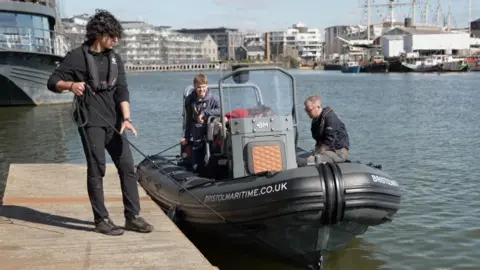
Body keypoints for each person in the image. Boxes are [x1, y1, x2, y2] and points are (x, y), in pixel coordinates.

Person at [46, 10, 153, 236]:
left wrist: (127, 118)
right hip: (91, 122)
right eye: (112, 36)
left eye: (117, 36)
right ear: (99, 34)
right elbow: (52, 81)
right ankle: (101, 219)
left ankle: (132, 216)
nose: (116, 40)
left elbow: (122, 90)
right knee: (97, 169)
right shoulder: (76, 56)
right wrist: (71, 86)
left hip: (115, 122)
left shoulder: (115, 58)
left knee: (127, 167)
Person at [180, 74, 221, 173]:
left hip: (211, 138)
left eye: (203, 87)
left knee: (212, 165)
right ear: (194, 87)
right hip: (196, 138)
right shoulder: (189, 100)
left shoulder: (214, 99)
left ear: (207, 86)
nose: (201, 90)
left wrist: (205, 113)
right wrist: (186, 136)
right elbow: (188, 120)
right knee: (196, 167)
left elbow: (221, 110)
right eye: (198, 87)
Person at [304, 95, 350, 163]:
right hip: (327, 150)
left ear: (318, 107)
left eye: (309, 110)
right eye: (306, 110)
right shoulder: (316, 120)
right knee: (305, 157)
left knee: (310, 160)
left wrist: (316, 154)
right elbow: (318, 141)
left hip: (338, 152)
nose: (307, 112)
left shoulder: (330, 118)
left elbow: (328, 143)